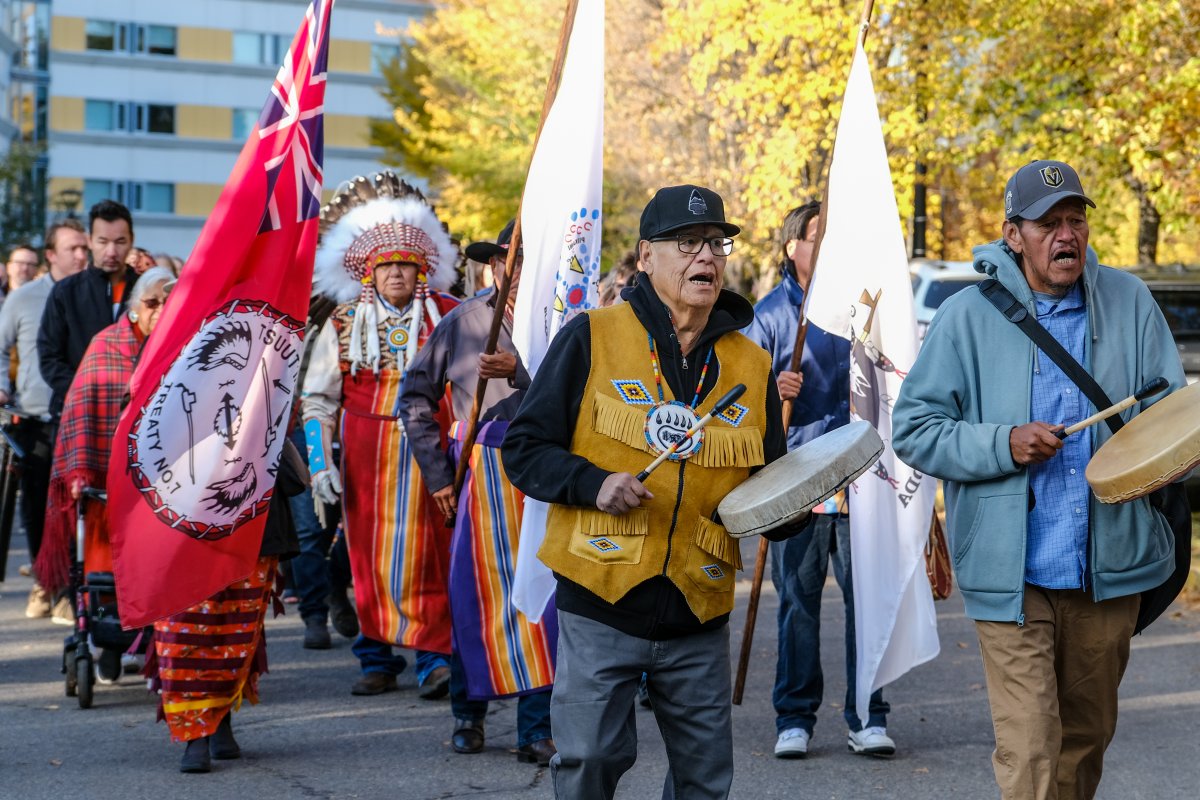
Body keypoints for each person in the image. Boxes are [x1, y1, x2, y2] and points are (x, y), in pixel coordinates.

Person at [892, 160, 1187, 800]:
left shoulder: (1130, 300)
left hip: (1105, 570)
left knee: (1083, 744)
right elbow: (914, 428)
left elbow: (1170, 413)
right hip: (1011, 572)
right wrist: (1003, 442)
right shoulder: (967, 316)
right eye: (1048, 223)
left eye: (1075, 220)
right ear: (1013, 234)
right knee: (1029, 748)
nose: (1065, 235)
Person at [503, 185, 801, 799]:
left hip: (700, 606)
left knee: (704, 780)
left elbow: (770, 487)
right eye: (686, 243)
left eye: (715, 244)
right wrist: (592, 484)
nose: (707, 258)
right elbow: (525, 449)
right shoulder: (592, 336)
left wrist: (808, 494)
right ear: (646, 256)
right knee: (587, 760)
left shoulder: (752, 364)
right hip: (598, 596)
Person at [398, 220, 557, 766]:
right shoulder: (462, 323)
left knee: (544, 595)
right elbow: (415, 397)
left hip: (547, 470)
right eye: (503, 259)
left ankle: (536, 725)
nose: (511, 270)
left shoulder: (563, 322)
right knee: (475, 595)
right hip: (479, 473)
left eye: (523, 259)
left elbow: (581, 399)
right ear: (490, 266)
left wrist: (522, 374)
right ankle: (468, 714)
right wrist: (440, 475)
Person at [743, 200, 894, 759]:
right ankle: (795, 715)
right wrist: (770, 394)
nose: (825, 246)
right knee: (798, 602)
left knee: (867, 599)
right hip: (798, 476)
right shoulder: (771, 315)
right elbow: (738, 403)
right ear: (793, 247)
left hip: (861, 475)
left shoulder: (862, 309)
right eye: (815, 236)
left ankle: (868, 714)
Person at [302, 174, 459, 696]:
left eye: (406, 264)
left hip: (429, 455)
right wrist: (321, 463)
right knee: (368, 555)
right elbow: (319, 399)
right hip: (367, 458)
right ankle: (375, 656)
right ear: (369, 271)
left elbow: (466, 390)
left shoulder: (447, 317)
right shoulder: (344, 323)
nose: (397, 272)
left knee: (434, 550)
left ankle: (434, 658)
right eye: (386, 264)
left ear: (422, 269)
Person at [33, 267, 176, 673]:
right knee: (104, 567)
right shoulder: (105, 345)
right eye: (152, 303)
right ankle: (109, 643)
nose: (161, 310)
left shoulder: (184, 343)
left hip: (163, 482)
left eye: (168, 302)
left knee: (160, 570)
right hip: (106, 483)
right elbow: (81, 406)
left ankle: (155, 642)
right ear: (133, 310)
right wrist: (79, 471)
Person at [150, 439, 304, 773]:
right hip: (180, 513)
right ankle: (195, 733)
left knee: (238, 625)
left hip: (252, 511)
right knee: (183, 627)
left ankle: (219, 719)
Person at [0, 220, 88, 620]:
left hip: (82, 416)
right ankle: (43, 579)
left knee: (78, 505)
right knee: (36, 506)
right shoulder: (23, 299)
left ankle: (70, 587)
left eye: (84, 248)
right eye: (73, 249)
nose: (82, 256)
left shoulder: (93, 293)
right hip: (35, 418)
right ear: (50, 255)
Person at [37, 199, 138, 416]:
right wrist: (84, 392)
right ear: (90, 241)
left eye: (120, 241)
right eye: (103, 241)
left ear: (131, 241)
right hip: (75, 410)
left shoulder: (146, 293)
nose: (111, 251)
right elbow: (50, 357)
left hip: (132, 412)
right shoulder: (66, 292)